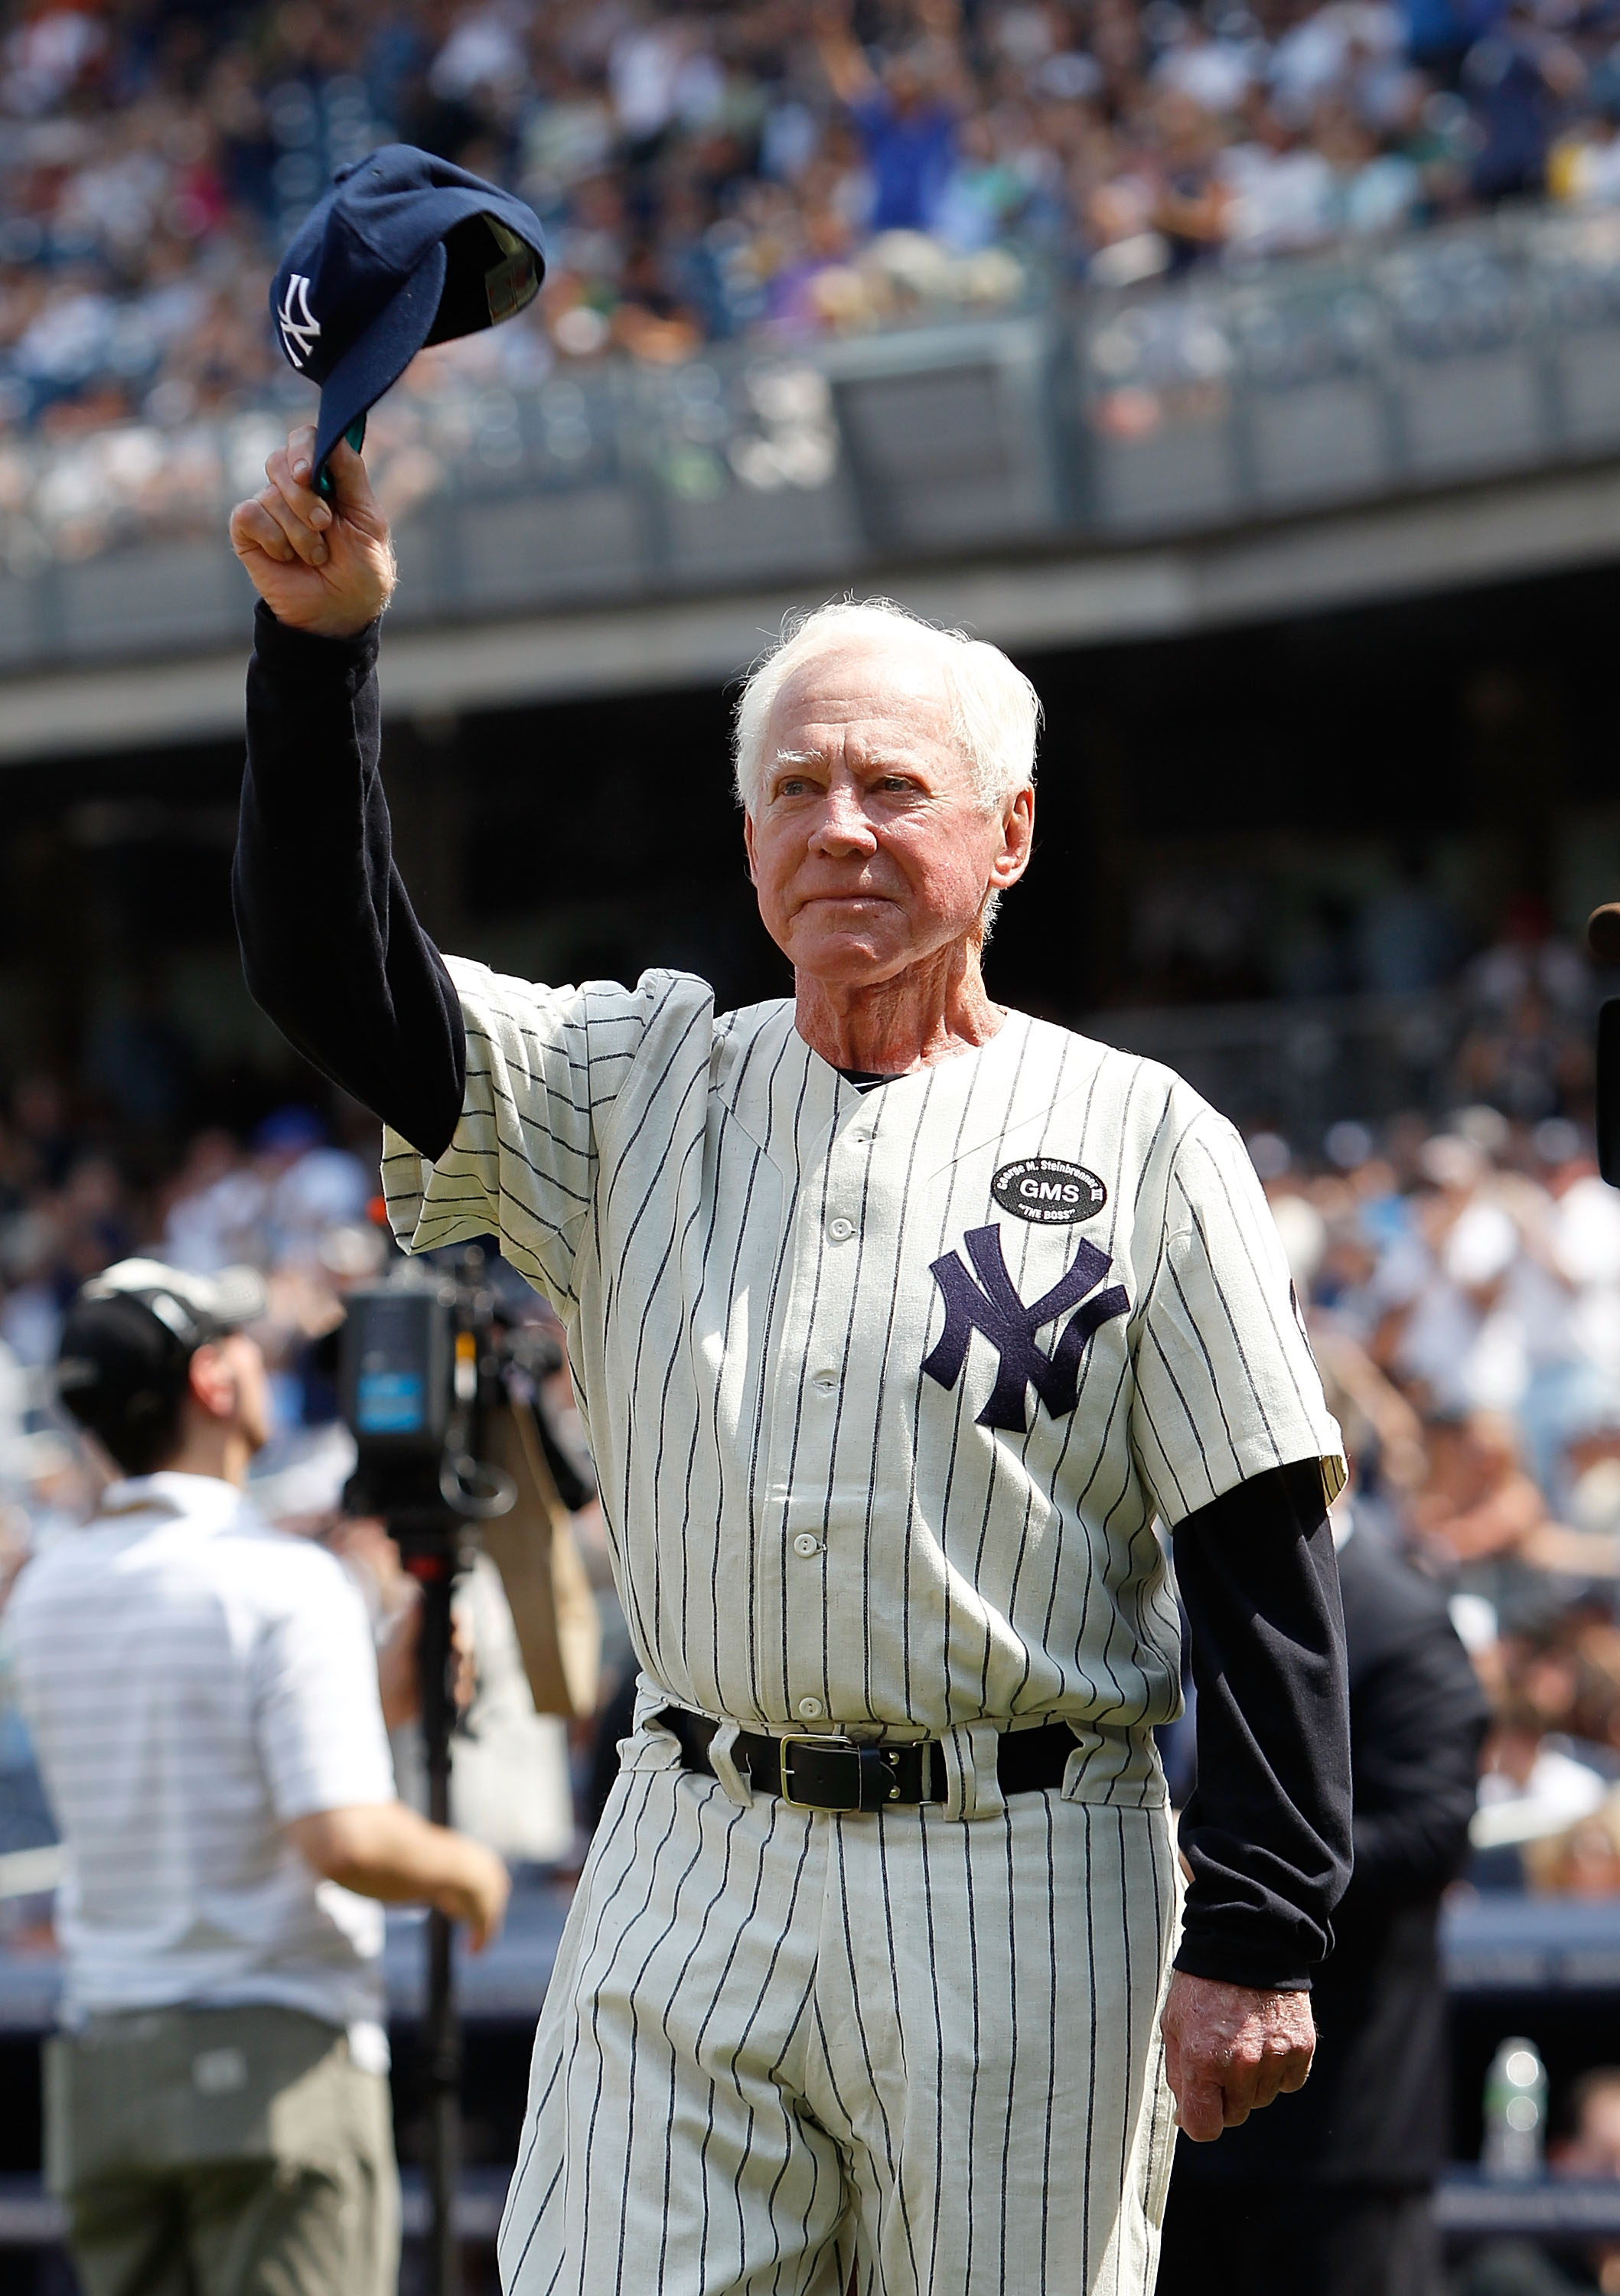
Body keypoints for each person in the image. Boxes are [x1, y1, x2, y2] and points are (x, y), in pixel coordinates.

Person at [228, 426, 1353, 2296]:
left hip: (1026, 1863)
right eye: (796, 785)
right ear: (745, 836)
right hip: (691, 1845)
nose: (839, 823)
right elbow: (336, 974)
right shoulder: (632, 1074)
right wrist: (316, 649)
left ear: (1004, 836)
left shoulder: (1143, 1128)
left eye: (894, 786)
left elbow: (1258, 1546)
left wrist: (1261, 1919)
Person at [11, 1255, 510, 2296]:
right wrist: (470, 1873)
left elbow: (214, 1748)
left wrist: (381, 1685)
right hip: (274, 2065)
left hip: (106, 2074)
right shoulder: (282, 1582)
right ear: (212, 1383)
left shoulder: (47, 1590)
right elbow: (345, 1839)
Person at [1159, 1504, 1488, 2296]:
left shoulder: (1399, 1619)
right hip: (1184, 2105)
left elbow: (1429, 1835)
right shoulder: (1167, 1597)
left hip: (1341, 2124)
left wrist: (1235, 1868)